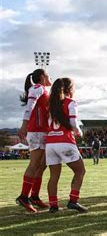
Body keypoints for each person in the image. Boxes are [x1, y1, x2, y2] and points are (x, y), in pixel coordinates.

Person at [45, 78, 87, 213]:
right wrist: (79, 131)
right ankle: (73, 201)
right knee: (80, 171)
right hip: (65, 142)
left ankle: (53, 205)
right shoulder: (71, 103)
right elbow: (73, 123)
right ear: (69, 89)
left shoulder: (50, 104)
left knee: (54, 176)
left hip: (50, 144)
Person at [16, 69, 52, 213]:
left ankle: (34, 196)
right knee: (35, 164)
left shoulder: (43, 90)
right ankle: (24, 196)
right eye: (48, 75)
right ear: (43, 77)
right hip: (36, 130)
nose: (51, 77)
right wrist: (24, 125)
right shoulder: (37, 88)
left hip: (42, 131)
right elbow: (29, 107)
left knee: (42, 165)